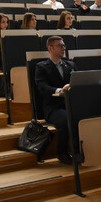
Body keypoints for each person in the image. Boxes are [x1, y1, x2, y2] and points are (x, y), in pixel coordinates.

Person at [34, 36, 76, 165]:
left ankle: (81, 150)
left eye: (64, 45)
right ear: (50, 48)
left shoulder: (70, 64)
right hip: (53, 107)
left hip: (71, 104)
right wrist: (59, 91)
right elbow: (42, 88)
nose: (63, 48)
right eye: (60, 46)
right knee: (66, 120)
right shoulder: (42, 67)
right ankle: (61, 152)